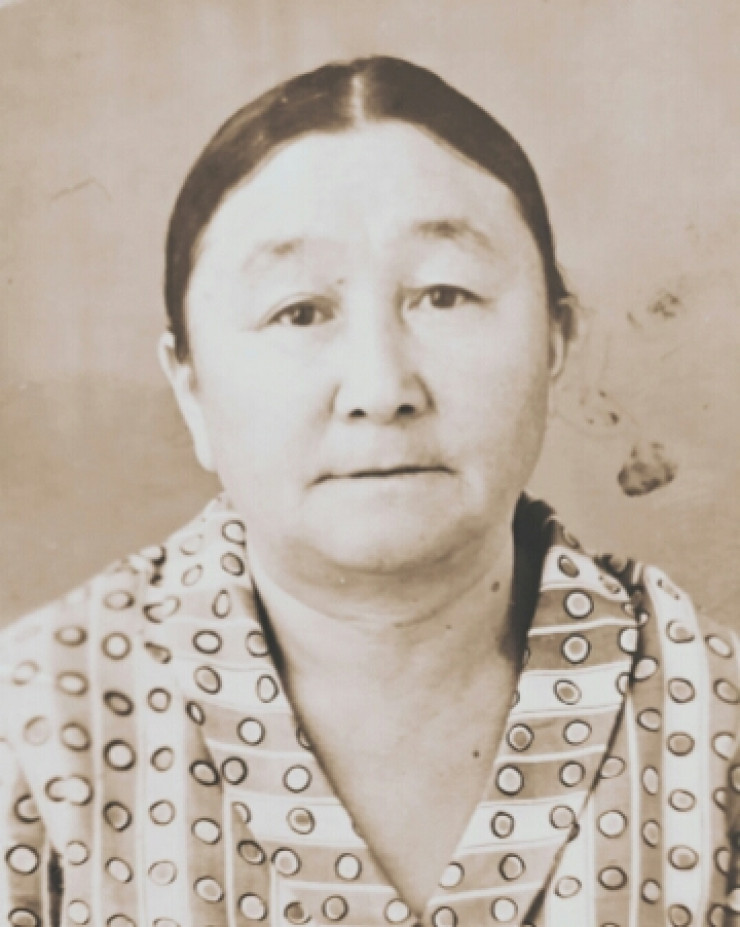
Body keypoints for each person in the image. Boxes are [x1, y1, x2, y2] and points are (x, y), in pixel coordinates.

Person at [0, 56, 737, 927]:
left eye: (445, 294)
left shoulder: (712, 708)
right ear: (188, 384)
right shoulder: (35, 724)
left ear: (555, 342)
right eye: (300, 312)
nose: (382, 387)